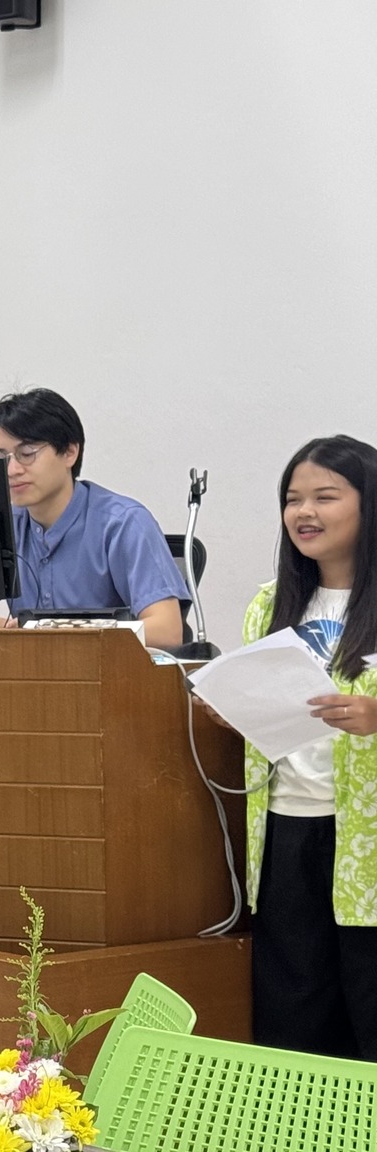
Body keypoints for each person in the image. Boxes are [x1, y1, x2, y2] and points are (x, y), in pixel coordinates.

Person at [229, 435, 377, 1059]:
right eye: (293, 499)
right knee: (292, 1018)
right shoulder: (270, 602)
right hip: (285, 829)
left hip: (367, 840)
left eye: (325, 496)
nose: (304, 512)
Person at [0, 388, 191, 649]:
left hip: (108, 669)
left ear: (69, 452)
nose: (11, 470)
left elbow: (166, 632)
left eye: (27, 453)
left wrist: (64, 632)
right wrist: (2, 630)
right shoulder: (5, 526)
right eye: (0, 459)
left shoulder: (123, 523)